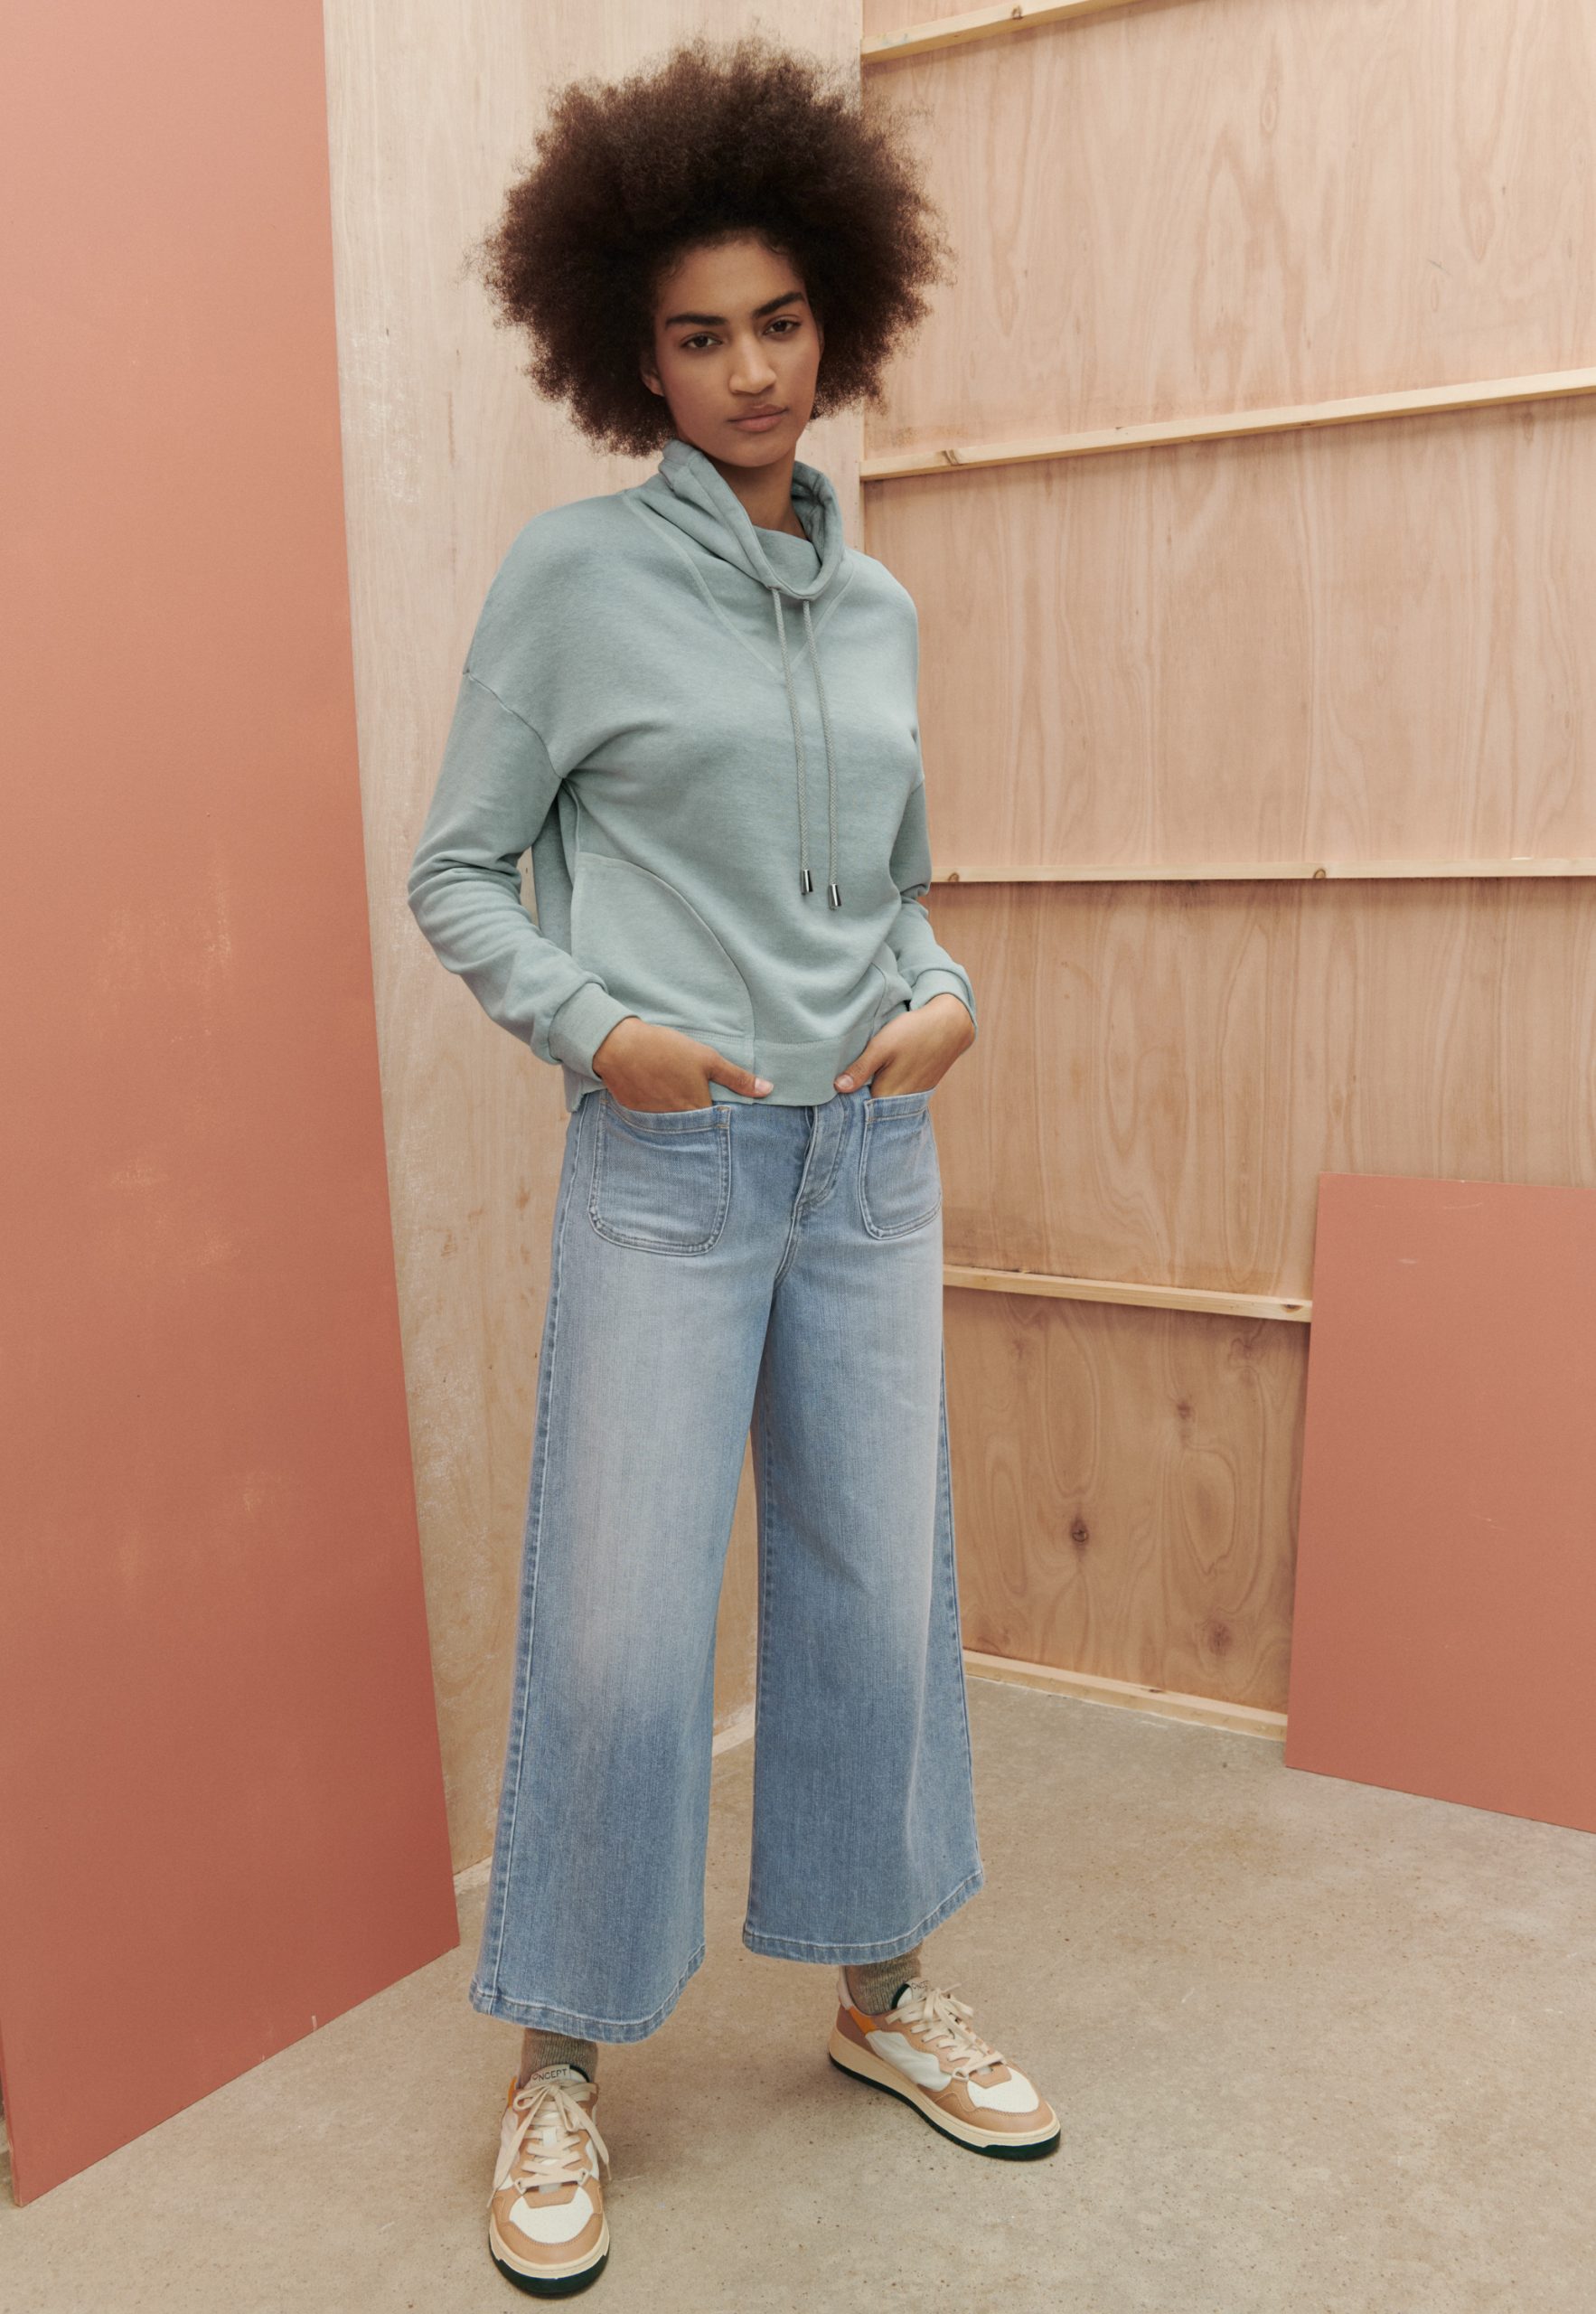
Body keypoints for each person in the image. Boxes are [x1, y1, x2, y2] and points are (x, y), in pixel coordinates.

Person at [408, 33, 1059, 2297]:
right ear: (634, 353)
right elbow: (459, 869)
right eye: (699, 335)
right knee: (616, 1621)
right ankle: (558, 2063)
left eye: (780, 322)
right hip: (673, 1163)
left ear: (835, 317)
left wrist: (946, 985)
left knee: (875, 1591)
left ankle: (882, 1991)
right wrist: (609, 1035)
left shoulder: (874, 607)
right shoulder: (571, 580)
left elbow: (891, 885)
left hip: (868, 1155)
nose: (752, 370)